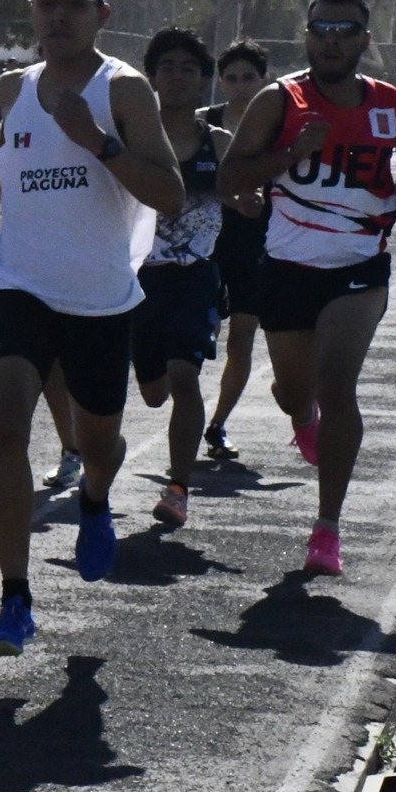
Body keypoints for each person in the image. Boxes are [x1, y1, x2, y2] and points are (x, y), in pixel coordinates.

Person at [0, 0, 183, 656]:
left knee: (98, 441)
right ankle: (15, 599)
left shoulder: (123, 88)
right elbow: (2, 139)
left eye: (75, 5)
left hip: (101, 297)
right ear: (33, 12)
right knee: (5, 428)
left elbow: (168, 194)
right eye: (48, 3)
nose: (59, 16)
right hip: (20, 283)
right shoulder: (14, 87)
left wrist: (99, 144)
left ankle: (98, 499)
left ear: (102, 15)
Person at [219, 0, 396, 577]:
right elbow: (230, 177)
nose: (333, 40)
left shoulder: (391, 104)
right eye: (322, 30)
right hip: (288, 268)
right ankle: (302, 419)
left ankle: (327, 528)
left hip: (361, 267)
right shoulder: (278, 100)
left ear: (366, 39)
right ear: (307, 36)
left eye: (346, 30)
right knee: (296, 392)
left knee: (338, 384)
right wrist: (289, 154)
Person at [131, 30, 237, 527]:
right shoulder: (130, 135)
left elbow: (244, 189)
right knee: (153, 391)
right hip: (134, 278)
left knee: (185, 376)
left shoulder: (218, 143)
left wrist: (245, 199)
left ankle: (178, 489)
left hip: (194, 277)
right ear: (151, 76)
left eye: (188, 69)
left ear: (203, 82)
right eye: (167, 67)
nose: (177, 76)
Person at [202, 40, 272, 459]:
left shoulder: (280, 127)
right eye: (232, 78)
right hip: (206, 242)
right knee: (197, 335)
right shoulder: (201, 124)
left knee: (241, 340)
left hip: (258, 242)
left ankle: (218, 423)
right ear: (221, 81)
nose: (240, 86)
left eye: (249, 78)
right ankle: (188, 411)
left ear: (264, 79)